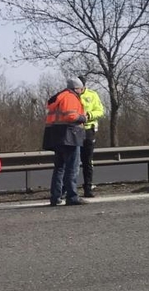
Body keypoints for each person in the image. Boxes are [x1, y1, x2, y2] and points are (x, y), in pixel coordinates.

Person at [42, 77, 88, 206]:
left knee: (59, 168)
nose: (82, 91)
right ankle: (72, 197)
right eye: (81, 89)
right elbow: (71, 116)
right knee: (72, 168)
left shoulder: (59, 97)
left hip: (56, 136)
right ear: (77, 88)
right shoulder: (70, 97)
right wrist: (84, 118)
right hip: (70, 136)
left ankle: (55, 197)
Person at [77, 75, 105, 198]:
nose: (79, 89)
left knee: (87, 160)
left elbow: (100, 111)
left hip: (89, 130)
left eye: (81, 86)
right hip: (75, 131)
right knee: (72, 161)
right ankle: (67, 189)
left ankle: (88, 188)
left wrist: (89, 115)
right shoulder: (71, 96)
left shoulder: (92, 95)